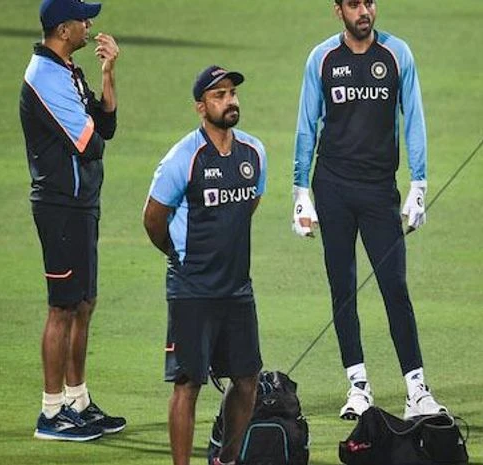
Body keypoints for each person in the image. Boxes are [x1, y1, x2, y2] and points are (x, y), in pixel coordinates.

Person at [291, 0, 447, 420]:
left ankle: (417, 389)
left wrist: (419, 183)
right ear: (337, 10)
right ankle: (358, 385)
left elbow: (412, 117)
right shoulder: (321, 58)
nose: (365, 11)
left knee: (395, 287)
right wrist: (299, 189)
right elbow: (307, 124)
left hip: (380, 190)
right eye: (355, 4)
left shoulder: (397, 55)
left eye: (370, 3)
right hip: (333, 187)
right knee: (342, 289)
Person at [143, 65, 266, 465]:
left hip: (237, 288)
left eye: (232, 93)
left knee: (247, 381)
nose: (229, 101)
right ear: (201, 106)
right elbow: (153, 219)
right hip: (192, 290)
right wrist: (180, 256)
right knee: (187, 383)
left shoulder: (253, 152)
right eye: (219, 95)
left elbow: (249, 206)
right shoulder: (183, 157)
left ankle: (225, 461)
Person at [20, 0, 125, 442]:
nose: (90, 25)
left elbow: (107, 124)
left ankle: (77, 401)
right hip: (59, 205)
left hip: (83, 201)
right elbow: (90, 143)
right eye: (83, 19)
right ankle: (50, 412)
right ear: (63, 29)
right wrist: (95, 126)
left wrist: (107, 75)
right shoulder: (43, 76)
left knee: (84, 303)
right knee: (62, 306)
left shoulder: (70, 71)